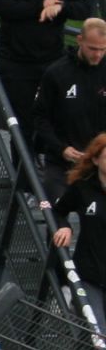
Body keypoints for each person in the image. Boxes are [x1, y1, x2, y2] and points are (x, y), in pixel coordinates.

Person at [0, 0, 90, 150]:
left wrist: (61, 7)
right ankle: (23, 177)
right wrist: (38, 7)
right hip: (17, 61)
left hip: (53, 59)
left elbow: (84, 8)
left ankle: (52, 167)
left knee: (58, 115)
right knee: (23, 121)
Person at [32, 18, 106, 196]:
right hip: (63, 161)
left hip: (101, 163)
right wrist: (61, 148)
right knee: (56, 211)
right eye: (92, 48)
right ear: (79, 40)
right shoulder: (57, 73)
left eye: (103, 49)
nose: (97, 55)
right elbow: (39, 117)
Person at [51, 134, 106, 330]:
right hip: (90, 274)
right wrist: (65, 225)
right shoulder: (83, 188)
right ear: (95, 159)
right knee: (98, 332)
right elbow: (58, 211)